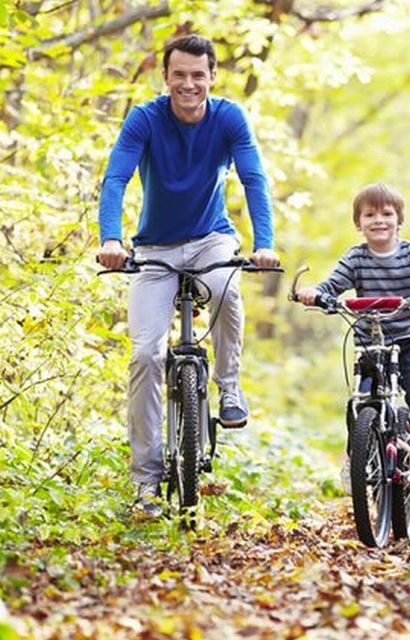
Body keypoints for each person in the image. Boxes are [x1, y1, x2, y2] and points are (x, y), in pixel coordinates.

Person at [96, 35, 279, 518]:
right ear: (166, 77)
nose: (189, 84)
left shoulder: (229, 118)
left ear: (212, 76)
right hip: (154, 248)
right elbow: (115, 178)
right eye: (179, 74)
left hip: (209, 238)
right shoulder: (145, 119)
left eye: (198, 75)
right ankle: (146, 486)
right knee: (145, 356)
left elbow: (254, 179)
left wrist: (263, 244)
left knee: (225, 288)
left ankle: (229, 383)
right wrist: (112, 239)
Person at [293, 183, 410, 490]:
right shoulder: (355, 259)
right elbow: (331, 286)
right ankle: (358, 461)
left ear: (399, 220)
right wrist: (315, 294)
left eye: (387, 213)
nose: (379, 220)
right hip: (370, 340)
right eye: (370, 214)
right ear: (359, 223)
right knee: (360, 399)